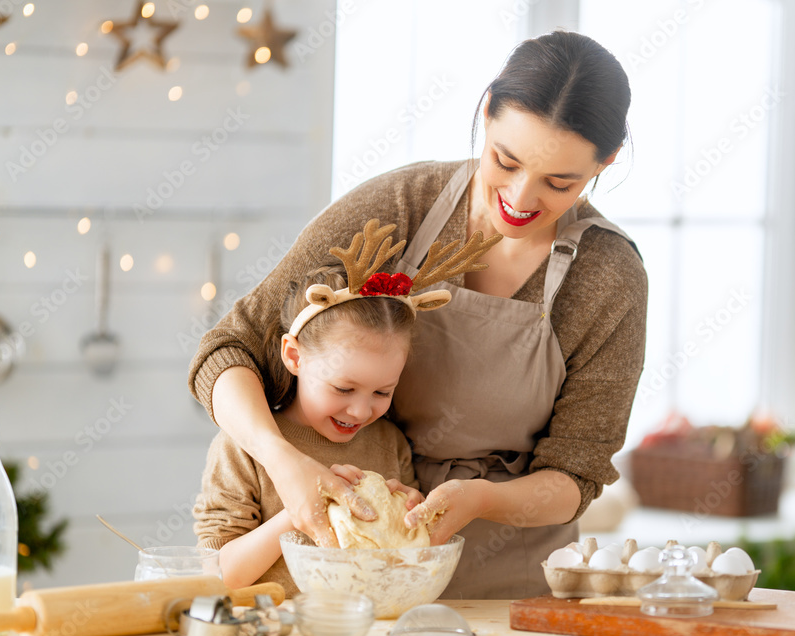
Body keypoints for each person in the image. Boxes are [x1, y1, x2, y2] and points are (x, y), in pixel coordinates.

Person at [189, 30, 648, 598]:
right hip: (352, 579)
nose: (521, 198)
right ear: (486, 113)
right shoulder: (400, 208)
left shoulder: (608, 275)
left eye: (561, 183)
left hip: (508, 579)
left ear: (606, 161)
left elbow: (576, 475)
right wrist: (283, 462)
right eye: (505, 160)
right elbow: (227, 350)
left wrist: (479, 499)